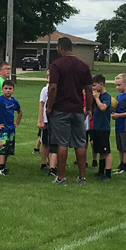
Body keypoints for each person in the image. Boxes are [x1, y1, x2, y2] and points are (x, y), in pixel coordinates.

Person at [46, 37, 93, 185]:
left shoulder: (57, 64)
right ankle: (82, 177)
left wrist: (49, 106)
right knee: (80, 143)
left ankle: (61, 177)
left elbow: (52, 87)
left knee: (62, 143)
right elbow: (89, 89)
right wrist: (89, 107)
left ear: (60, 48)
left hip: (61, 108)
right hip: (78, 109)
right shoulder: (83, 65)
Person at [0, 79, 22, 175]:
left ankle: (3, 166)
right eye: (6, 88)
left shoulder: (14, 101)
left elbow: (20, 111)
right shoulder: (0, 100)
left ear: (13, 90)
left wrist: (17, 122)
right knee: (2, 149)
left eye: (10, 88)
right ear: (2, 89)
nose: (8, 90)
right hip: (2, 129)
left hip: (11, 129)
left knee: (8, 150)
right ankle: (0, 168)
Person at [111, 74, 126, 174]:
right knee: (120, 147)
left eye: (119, 85)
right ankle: (121, 165)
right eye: (116, 85)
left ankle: (125, 166)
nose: (117, 87)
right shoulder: (118, 96)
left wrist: (119, 115)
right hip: (118, 126)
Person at [91, 74, 113, 180]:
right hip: (96, 126)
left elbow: (103, 107)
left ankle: (108, 173)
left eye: (94, 85)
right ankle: (100, 171)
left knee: (106, 152)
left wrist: (96, 98)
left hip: (103, 128)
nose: (93, 88)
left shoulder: (106, 97)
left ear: (101, 84)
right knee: (99, 151)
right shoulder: (97, 96)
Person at [38, 70, 58, 176]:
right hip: (46, 119)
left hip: (56, 120)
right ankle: (43, 163)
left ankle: (53, 164)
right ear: (47, 78)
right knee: (45, 143)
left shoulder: (59, 89)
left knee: (54, 144)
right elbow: (41, 104)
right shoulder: (45, 89)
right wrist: (40, 119)